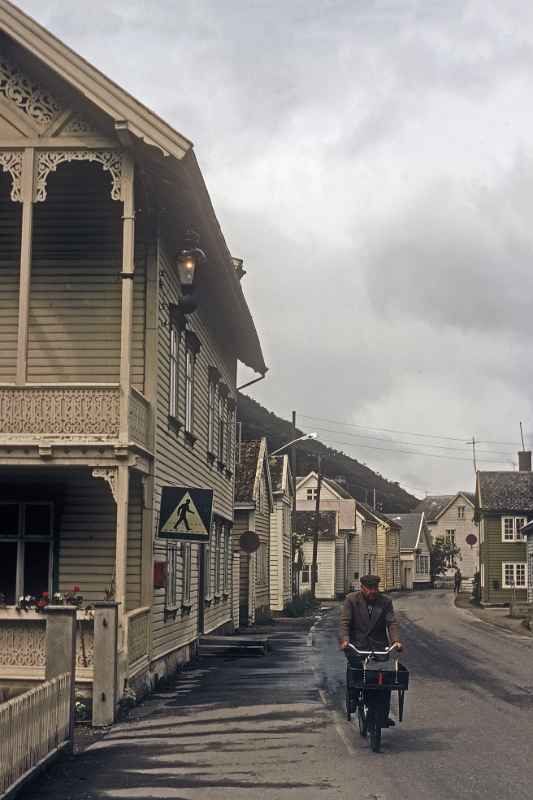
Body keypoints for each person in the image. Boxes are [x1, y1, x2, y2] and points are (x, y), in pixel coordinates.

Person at [339, 574, 403, 726]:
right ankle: (353, 696)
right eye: (370, 589)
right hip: (357, 646)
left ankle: (383, 714)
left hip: (379, 647)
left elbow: (391, 623)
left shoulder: (385, 602)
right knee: (357, 674)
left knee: (385, 679)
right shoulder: (351, 600)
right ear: (362, 588)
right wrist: (345, 640)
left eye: (375, 588)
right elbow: (345, 622)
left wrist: (396, 641)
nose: (373, 592)